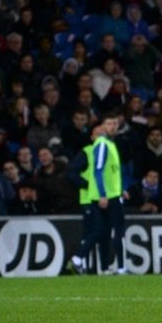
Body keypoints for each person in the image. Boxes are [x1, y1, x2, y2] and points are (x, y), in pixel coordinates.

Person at [69, 114, 128, 276]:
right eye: (109, 123)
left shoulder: (110, 145)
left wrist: (120, 189)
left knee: (102, 231)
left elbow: (112, 173)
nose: (113, 126)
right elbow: (95, 171)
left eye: (115, 123)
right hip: (98, 197)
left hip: (105, 195)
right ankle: (118, 267)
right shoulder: (99, 146)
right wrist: (100, 192)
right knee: (106, 231)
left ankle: (99, 266)